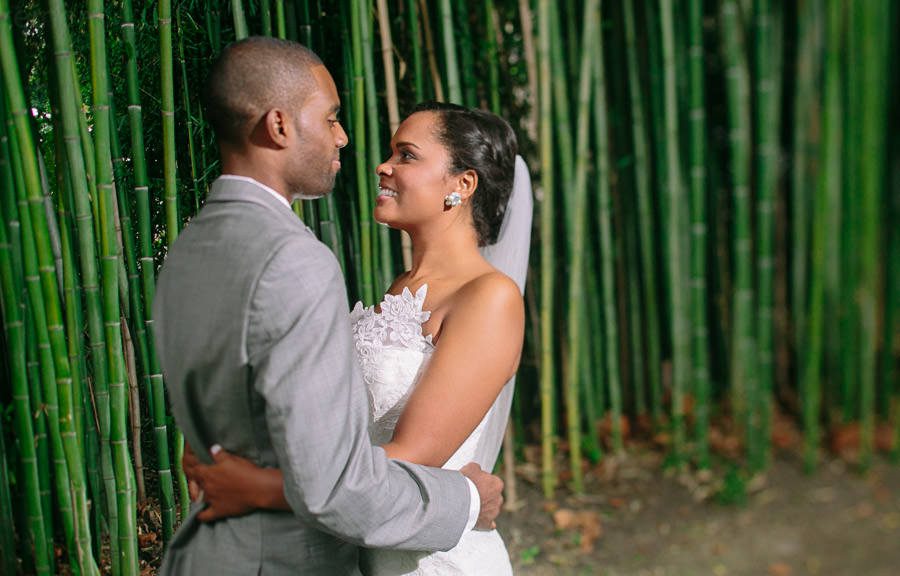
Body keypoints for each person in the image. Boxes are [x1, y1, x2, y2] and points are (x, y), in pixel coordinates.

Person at [153, 37, 504, 575]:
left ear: (462, 185)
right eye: (333, 119)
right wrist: (469, 499)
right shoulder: (371, 283)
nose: (379, 163)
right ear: (278, 126)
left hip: (422, 557)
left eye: (406, 155)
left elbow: (402, 456)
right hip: (347, 541)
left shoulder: (489, 297)